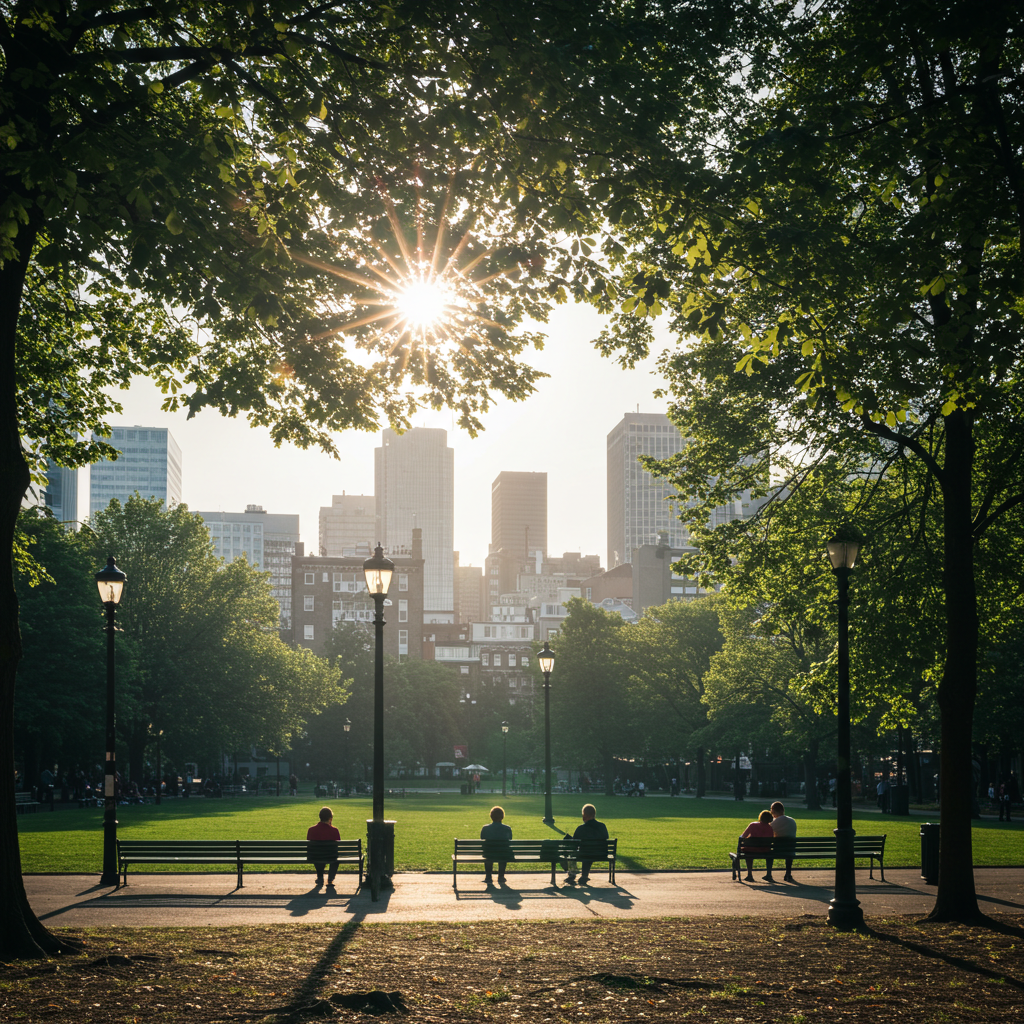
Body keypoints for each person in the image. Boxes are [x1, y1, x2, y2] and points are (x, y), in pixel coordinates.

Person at [563, 803, 609, 886]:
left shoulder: (581, 828)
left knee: (574, 852)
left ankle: (572, 874)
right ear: (594, 814)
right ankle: (584, 876)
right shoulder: (602, 826)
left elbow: (574, 845)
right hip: (601, 854)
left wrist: (568, 839)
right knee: (589, 851)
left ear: (585, 815)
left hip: (585, 854)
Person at [307, 806, 341, 886]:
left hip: (315, 856)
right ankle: (330, 878)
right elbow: (337, 845)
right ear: (330, 818)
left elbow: (310, 844)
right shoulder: (334, 830)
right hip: (331, 856)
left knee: (318, 854)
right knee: (335, 858)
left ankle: (320, 877)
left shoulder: (311, 830)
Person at [738, 810, 775, 882]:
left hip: (751, 850)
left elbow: (743, 836)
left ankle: (749, 875)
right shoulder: (770, 828)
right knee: (770, 855)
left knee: (747, 851)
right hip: (765, 850)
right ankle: (769, 874)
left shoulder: (753, 825)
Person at [480, 805, 512, 885]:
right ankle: (501, 876)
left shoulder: (485, 828)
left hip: (489, 853)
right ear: (502, 817)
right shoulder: (507, 828)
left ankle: (488, 876)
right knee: (503, 852)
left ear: (491, 816)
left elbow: (482, 838)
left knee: (489, 853)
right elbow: (510, 839)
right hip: (503, 853)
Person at [767, 801, 797, 883]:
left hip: (778, 849)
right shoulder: (792, 821)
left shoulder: (776, 822)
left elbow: (769, 832)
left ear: (773, 811)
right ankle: (788, 873)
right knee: (789, 854)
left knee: (769, 854)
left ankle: (769, 874)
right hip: (790, 849)